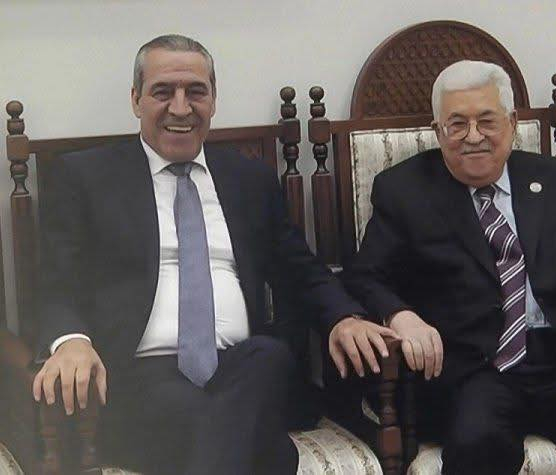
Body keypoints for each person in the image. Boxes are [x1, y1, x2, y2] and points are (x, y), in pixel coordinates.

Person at [31, 34, 397, 475]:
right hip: (143, 376)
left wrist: (344, 318)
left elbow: (300, 269)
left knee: (268, 357)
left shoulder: (249, 179)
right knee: (256, 443)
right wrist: (71, 340)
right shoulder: (85, 177)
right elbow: (54, 281)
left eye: (195, 92)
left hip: (244, 369)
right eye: (163, 92)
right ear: (135, 99)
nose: (180, 108)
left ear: (214, 99)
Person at [342, 60, 556, 474]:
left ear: (512, 123)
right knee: (478, 447)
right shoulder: (403, 190)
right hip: (475, 372)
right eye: (457, 124)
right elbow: (364, 275)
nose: (473, 136)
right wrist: (400, 315)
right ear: (437, 131)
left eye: (487, 121)